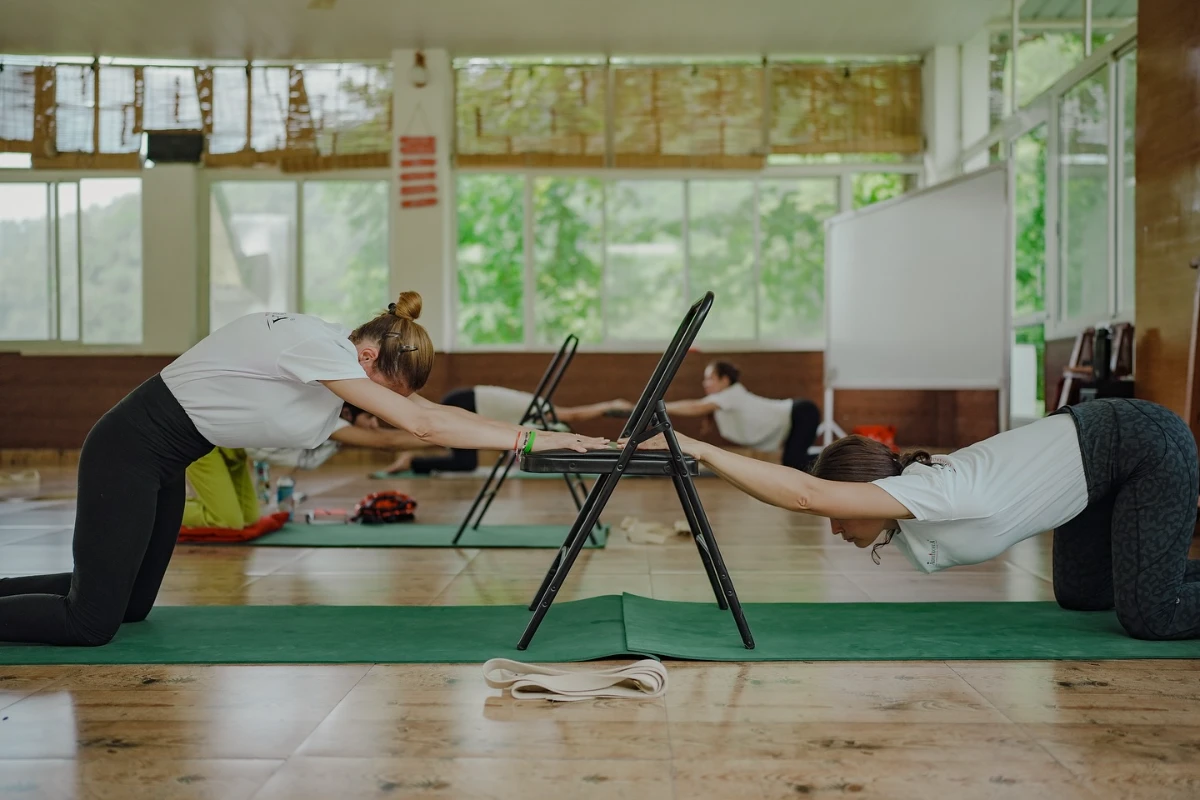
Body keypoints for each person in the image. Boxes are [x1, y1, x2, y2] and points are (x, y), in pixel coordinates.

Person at [0, 292, 607, 646]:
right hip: (127, 452)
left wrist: (543, 438)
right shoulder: (317, 347)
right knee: (91, 624)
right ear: (367, 355)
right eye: (381, 395)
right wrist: (534, 439)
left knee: (128, 606)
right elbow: (423, 424)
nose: (377, 412)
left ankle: (79, 584)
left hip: (165, 465)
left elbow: (422, 417)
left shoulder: (332, 366)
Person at [636, 397, 1200, 641]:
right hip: (1098, 463)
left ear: (870, 491)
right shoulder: (921, 493)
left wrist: (698, 449)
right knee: (1083, 595)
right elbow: (811, 497)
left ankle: (1164, 583)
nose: (836, 525)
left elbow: (806, 495)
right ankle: (1166, 569)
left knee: (1151, 615)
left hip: (1142, 447)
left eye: (843, 510)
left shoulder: (934, 491)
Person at [183, 405, 430, 529]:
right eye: (369, 418)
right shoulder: (330, 424)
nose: (374, 424)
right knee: (228, 522)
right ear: (347, 413)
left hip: (234, 453)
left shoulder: (330, 429)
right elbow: (386, 442)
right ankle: (163, 507)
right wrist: (440, 436)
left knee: (249, 519)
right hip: (207, 445)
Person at [378, 386, 630, 475]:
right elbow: (574, 414)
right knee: (462, 460)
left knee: (456, 452)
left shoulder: (536, 408)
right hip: (465, 401)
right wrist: (608, 405)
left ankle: (411, 459)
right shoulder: (542, 409)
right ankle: (411, 461)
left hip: (466, 398)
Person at [659, 360, 820, 471]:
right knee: (793, 461)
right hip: (797, 415)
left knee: (794, 461)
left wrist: (659, 407)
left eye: (710, 378)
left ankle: (833, 459)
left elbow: (696, 407)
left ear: (725, 380)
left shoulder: (731, 394)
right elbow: (703, 407)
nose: (705, 383)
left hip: (801, 413)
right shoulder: (724, 398)